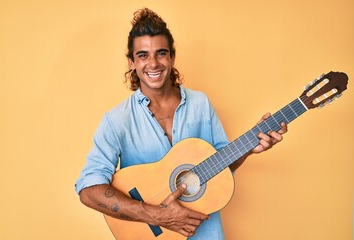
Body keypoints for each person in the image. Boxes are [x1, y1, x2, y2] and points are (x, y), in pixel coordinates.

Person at [75, 7, 287, 239]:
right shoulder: (117, 120)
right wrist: (154, 215)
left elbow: (222, 166)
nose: (153, 63)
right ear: (131, 63)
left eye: (161, 53)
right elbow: (88, 190)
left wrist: (248, 149)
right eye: (143, 55)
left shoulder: (200, 103)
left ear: (172, 57)